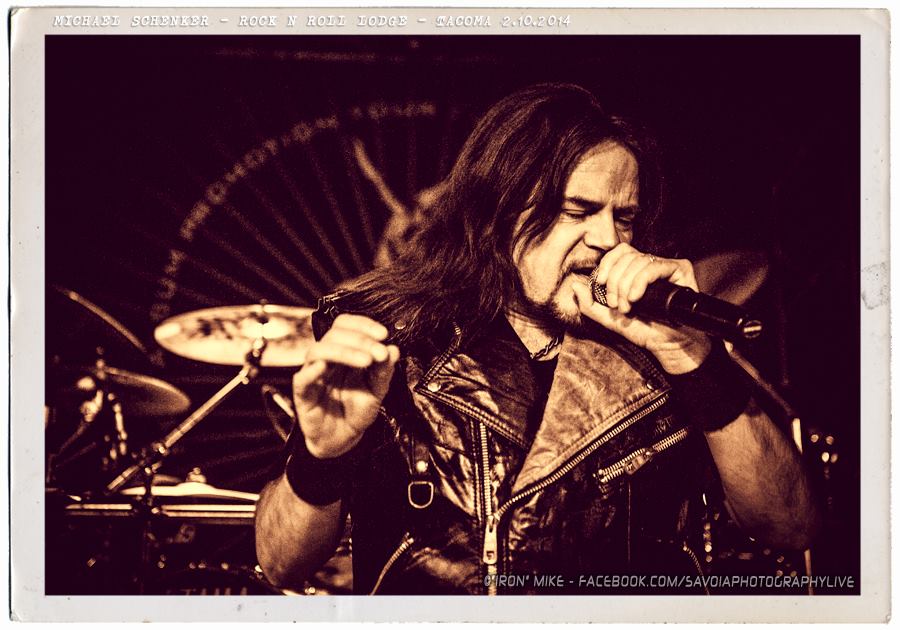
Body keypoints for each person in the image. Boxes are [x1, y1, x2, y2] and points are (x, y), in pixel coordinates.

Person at [254, 83, 820, 595]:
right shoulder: (392, 335)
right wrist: (319, 457)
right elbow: (281, 565)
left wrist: (694, 357)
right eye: (578, 211)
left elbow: (792, 528)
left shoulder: (666, 346)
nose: (607, 238)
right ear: (499, 214)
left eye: (624, 218)